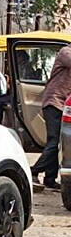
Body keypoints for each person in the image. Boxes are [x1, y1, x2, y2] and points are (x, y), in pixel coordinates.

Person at [31, 44, 71, 190]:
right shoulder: (65, 52)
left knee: (59, 142)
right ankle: (34, 170)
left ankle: (50, 178)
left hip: (64, 104)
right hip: (54, 101)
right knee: (54, 141)